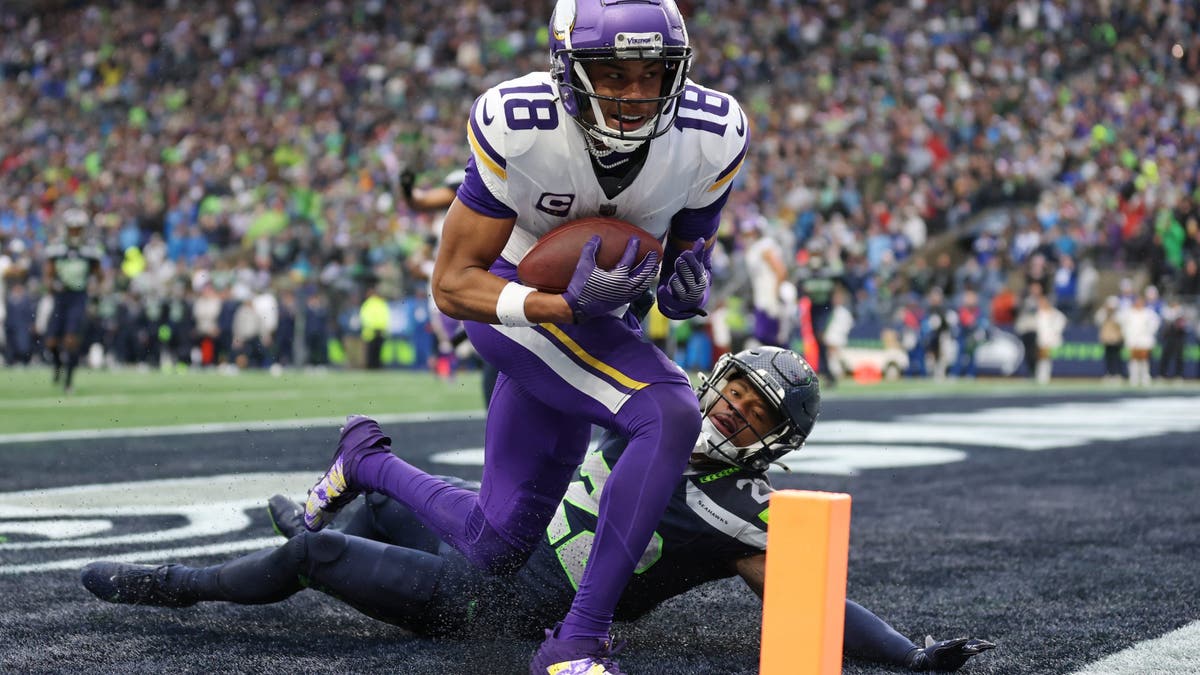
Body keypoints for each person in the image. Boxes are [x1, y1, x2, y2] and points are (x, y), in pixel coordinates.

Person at [80, 346, 995, 673]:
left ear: (770, 442)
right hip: (499, 535)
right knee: (373, 520)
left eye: (752, 416)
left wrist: (909, 653)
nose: (728, 413)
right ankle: (328, 505)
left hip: (501, 603)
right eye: (732, 395)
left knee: (320, 554)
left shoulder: (738, 513)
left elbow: (811, 600)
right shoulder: (656, 408)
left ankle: (186, 581)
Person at [305, 2, 749, 672]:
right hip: (512, 305)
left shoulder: (712, 134)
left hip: (596, 319)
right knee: (667, 408)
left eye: (651, 74)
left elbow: (681, 266)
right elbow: (454, 284)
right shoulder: (521, 126)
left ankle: (366, 459)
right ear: (569, 71)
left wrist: (687, 292)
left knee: (498, 540)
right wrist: (550, 303)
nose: (634, 94)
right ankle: (577, 641)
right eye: (612, 73)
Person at [43, 208, 104, 393]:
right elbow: (48, 273)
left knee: (71, 340)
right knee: (51, 342)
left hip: (78, 296)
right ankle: (58, 365)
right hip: (61, 296)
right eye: (72, 228)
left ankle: (68, 382)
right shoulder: (57, 247)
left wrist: (95, 289)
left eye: (78, 228)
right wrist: (52, 284)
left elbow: (98, 275)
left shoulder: (89, 249)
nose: (75, 231)